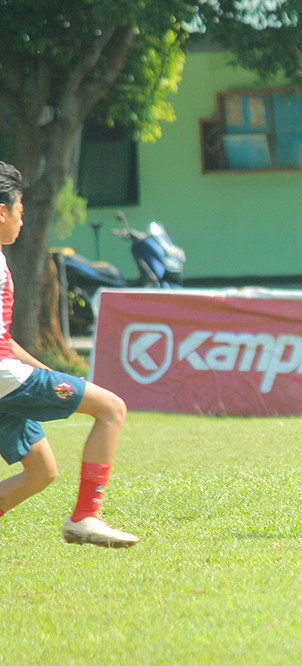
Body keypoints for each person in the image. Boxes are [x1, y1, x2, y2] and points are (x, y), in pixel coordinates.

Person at [0, 162, 137, 547]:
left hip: (8, 377)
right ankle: (86, 517)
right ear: (2, 211)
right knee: (112, 409)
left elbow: (4, 339)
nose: (23, 223)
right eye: (21, 213)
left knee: (41, 471)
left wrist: (44, 373)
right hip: (4, 378)